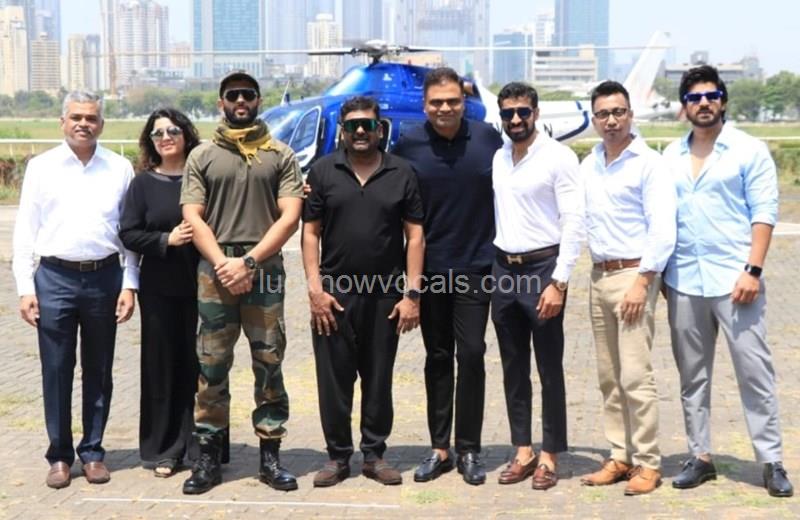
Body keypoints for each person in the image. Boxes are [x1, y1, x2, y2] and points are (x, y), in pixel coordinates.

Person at [663, 65, 793, 498]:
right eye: (694, 98)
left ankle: (771, 460)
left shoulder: (748, 150)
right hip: (684, 279)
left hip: (736, 281)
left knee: (754, 372)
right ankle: (699, 456)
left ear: (723, 100)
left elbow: (764, 213)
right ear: (684, 106)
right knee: (692, 376)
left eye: (711, 96)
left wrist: (753, 270)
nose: (703, 103)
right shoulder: (670, 155)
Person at [180, 70, 304, 494]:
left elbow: (290, 217)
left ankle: (270, 456)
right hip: (215, 271)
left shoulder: (280, 154)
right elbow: (192, 217)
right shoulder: (202, 156)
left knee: (269, 361)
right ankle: (209, 459)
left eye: (247, 95)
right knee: (211, 365)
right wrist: (223, 264)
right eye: (232, 95)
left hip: (263, 268)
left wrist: (249, 262)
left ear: (257, 100)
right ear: (221, 102)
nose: (240, 101)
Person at [12, 91, 138, 489]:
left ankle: (93, 451)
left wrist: (130, 283)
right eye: (77, 117)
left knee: (99, 369)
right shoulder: (41, 167)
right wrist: (25, 287)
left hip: (104, 277)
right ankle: (60, 456)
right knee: (56, 368)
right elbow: (25, 231)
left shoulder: (119, 167)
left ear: (102, 123)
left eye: (91, 118)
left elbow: (129, 233)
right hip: (54, 278)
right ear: (62, 122)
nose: (84, 124)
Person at [302, 96, 425, 487]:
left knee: (378, 377)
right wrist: (315, 290)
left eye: (368, 125)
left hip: (385, 293)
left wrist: (412, 295)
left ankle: (374, 455)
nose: (360, 131)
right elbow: (310, 233)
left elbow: (415, 236)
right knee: (333, 381)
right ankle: (338, 457)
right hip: (334, 294)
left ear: (379, 129)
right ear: (342, 129)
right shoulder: (323, 171)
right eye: (353, 124)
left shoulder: (401, 172)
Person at [392, 67, 503, 486]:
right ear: (424, 105)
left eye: (452, 101)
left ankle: (469, 448)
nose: (445, 108)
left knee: (471, 354)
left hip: (477, 267)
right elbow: (386, 189)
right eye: (436, 102)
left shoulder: (488, 139)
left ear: (464, 102)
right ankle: (440, 447)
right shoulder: (409, 143)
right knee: (437, 358)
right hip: (430, 270)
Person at [578, 81, 676, 495]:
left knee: (636, 376)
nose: (611, 120)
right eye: (603, 114)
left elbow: (663, 228)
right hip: (599, 276)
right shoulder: (590, 164)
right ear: (594, 119)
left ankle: (648, 463)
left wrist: (644, 281)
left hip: (634, 276)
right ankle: (620, 455)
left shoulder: (649, 164)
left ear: (631, 115)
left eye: (618, 112)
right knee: (610, 377)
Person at [489, 82, 582, 490]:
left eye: (522, 112)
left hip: (543, 269)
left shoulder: (559, 157)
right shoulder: (499, 157)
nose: (515, 119)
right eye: (507, 113)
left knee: (548, 367)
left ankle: (550, 455)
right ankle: (523, 450)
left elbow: (574, 220)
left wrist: (559, 281)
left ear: (536, 113)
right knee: (513, 367)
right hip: (503, 269)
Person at [119, 108, 201, 478]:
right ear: (150, 141)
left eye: (172, 131)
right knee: (162, 367)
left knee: (204, 367)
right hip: (159, 289)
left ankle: (203, 449)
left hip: (204, 286)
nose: (165, 138)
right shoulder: (142, 184)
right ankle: (164, 449)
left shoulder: (203, 178)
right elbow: (128, 233)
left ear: (186, 134)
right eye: (157, 133)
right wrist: (167, 239)